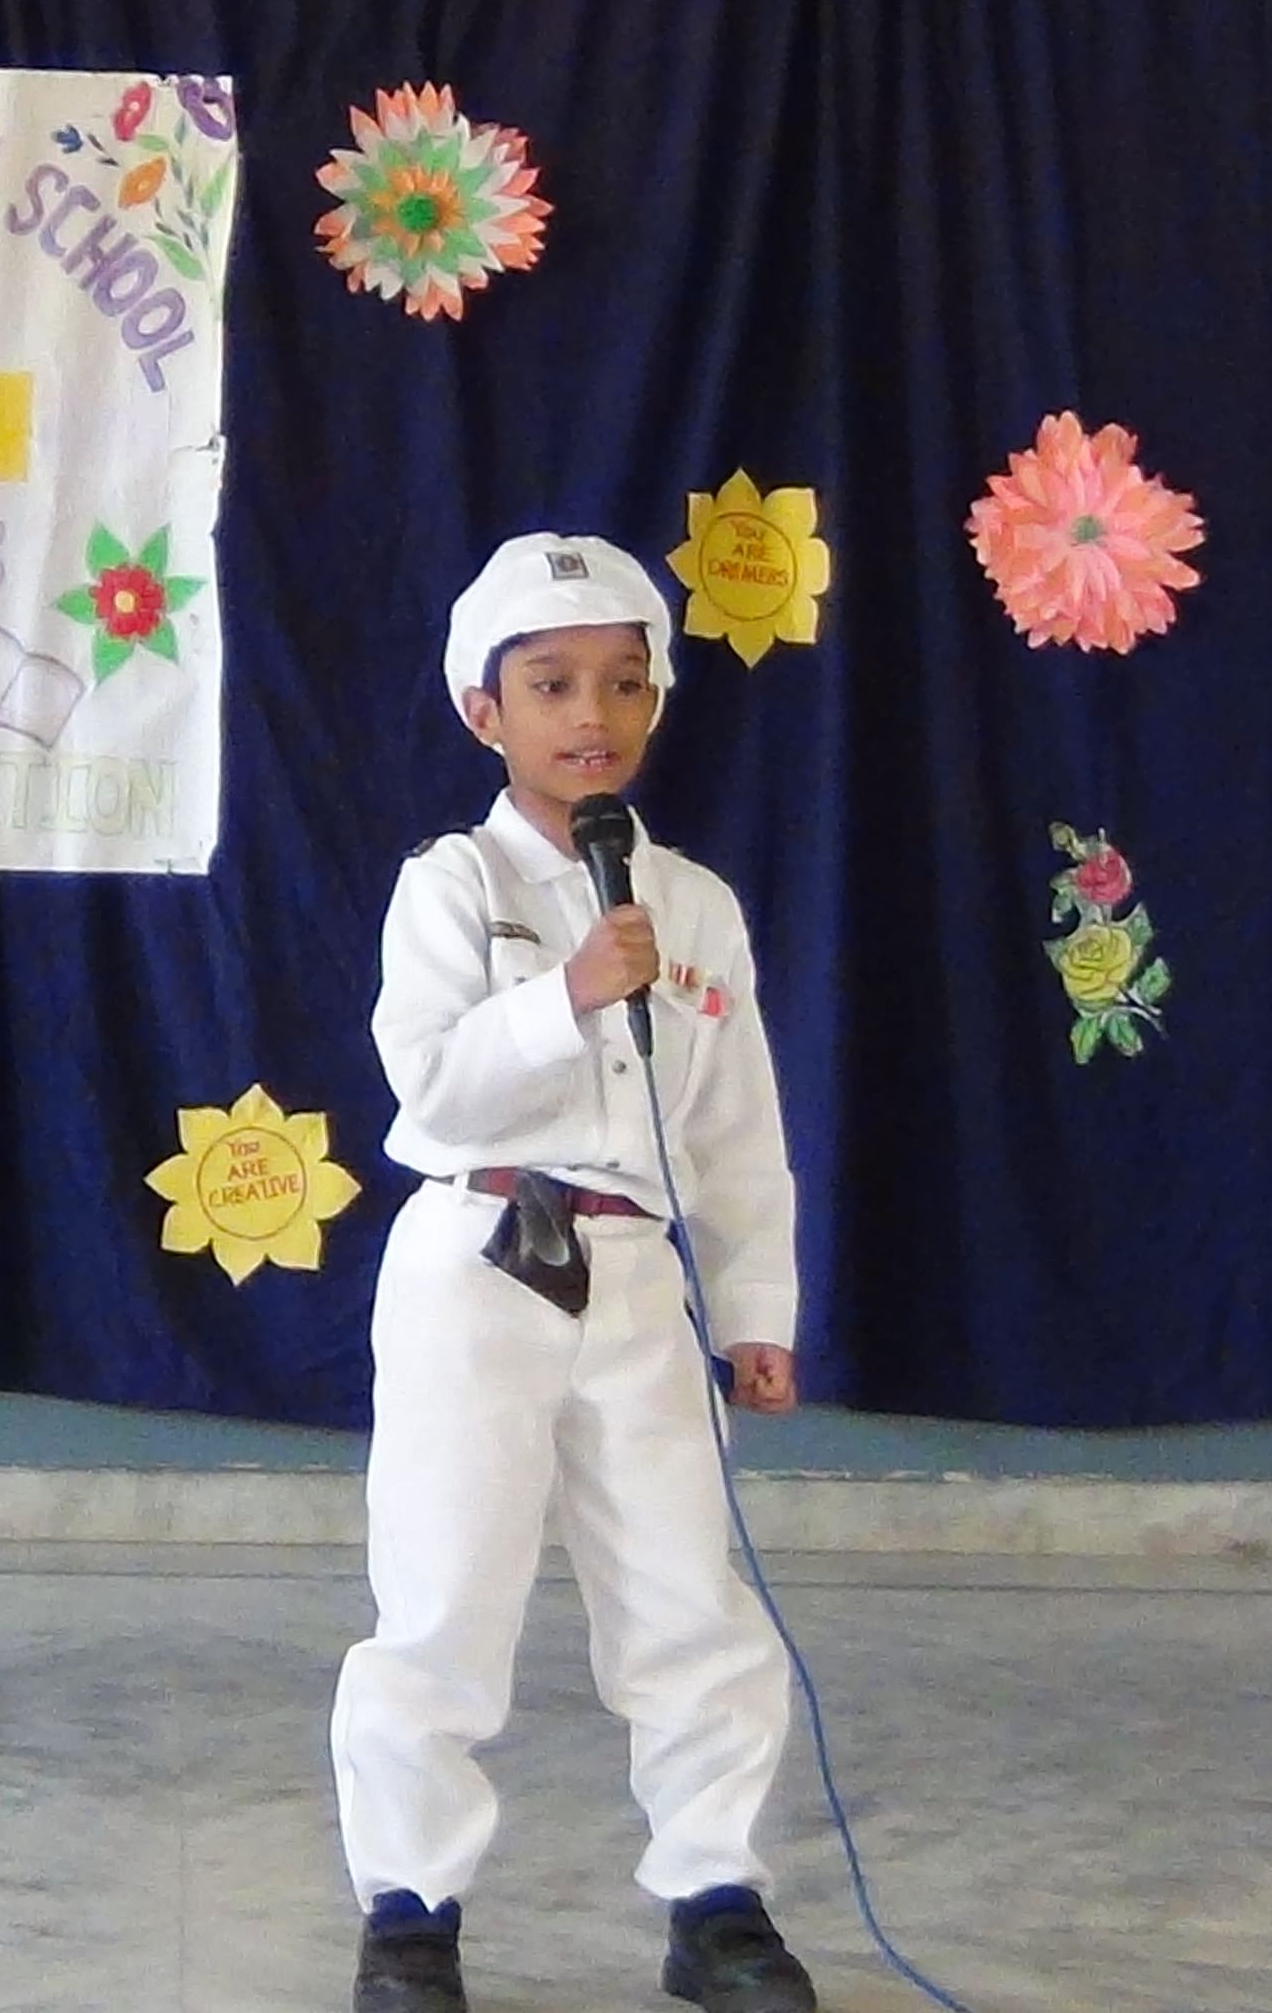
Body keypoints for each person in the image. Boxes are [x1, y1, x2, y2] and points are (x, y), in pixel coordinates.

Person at [331, 532, 816, 2013]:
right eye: (550, 686)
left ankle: (716, 1897)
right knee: (444, 1592)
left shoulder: (696, 904)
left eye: (621, 682)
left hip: (633, 1269)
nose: (589, 715)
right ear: (484, 710)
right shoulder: (452, 881)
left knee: (685, 1590)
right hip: (479, 1257)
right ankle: (410, 1910)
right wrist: (566, 995)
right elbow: (427, 1083)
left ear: (656, 700)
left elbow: (736, 1127)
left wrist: (755, 1304)